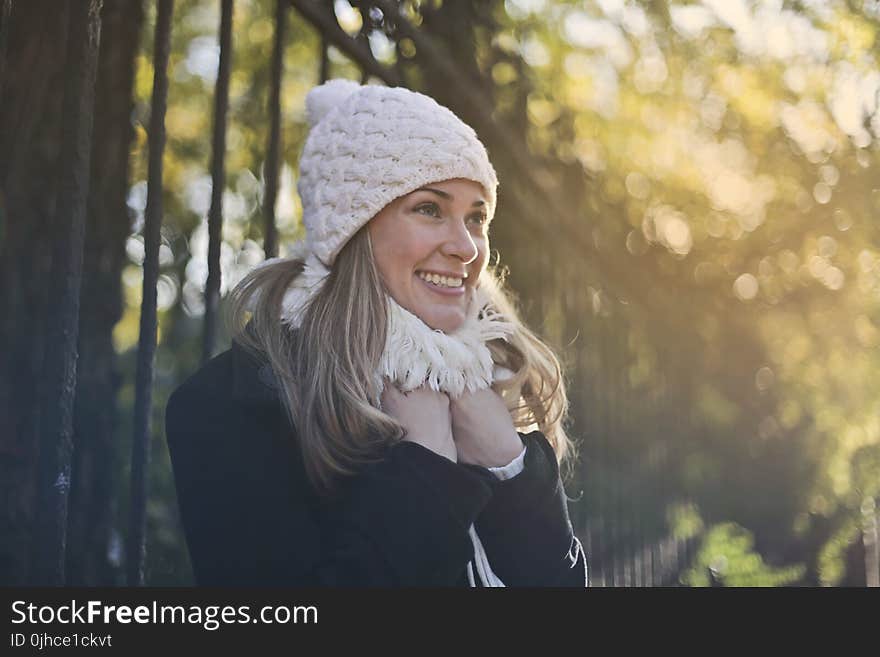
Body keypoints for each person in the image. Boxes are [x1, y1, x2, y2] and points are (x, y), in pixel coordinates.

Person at [165, 79, 588, 587]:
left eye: (475, 217)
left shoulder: (493, 380)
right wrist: (426, 468)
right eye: (430, 209)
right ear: (353, 231)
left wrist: (509, 466)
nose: (468, 247)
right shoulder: (235, 404)